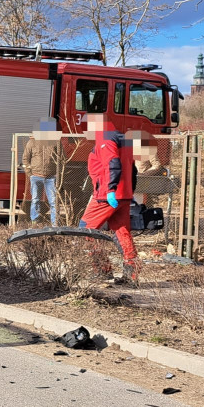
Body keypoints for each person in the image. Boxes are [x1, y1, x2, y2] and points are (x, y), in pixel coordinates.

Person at [78, 114, 140, 282]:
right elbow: (132, 169)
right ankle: (132, 273)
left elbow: (112, 163)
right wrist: (129, 192)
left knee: (85, 228)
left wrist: (111, 190)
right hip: (123, 195)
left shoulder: (106, 139)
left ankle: (102, 269)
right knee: (122, 232)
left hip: (107, 196)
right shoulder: (123, 140)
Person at [21, 121, 63, 225]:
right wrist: (30, 174)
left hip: (51, 177)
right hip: (36, 176)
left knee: (53, 201)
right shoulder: (32, 142)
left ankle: (55, 224)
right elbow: (25, 159)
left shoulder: (56, 142)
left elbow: (62, 158)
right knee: (35, 200)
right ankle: (34, 222)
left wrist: (58, 174)